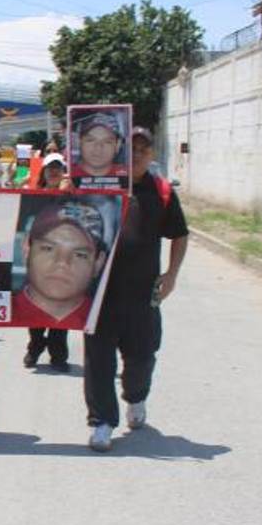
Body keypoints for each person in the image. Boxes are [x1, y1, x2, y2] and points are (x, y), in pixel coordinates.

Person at [85, 126, 188, 452]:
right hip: (99, 294)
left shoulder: (162, 192)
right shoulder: (97, 186)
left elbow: (179, 235)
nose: (139, 153)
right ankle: (102, 422)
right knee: (99, 360)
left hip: (143, 294)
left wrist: (171, 274)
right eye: (132, 148)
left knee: (142, 356)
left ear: (152, 153)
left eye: (145, 148)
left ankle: (135, 398)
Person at [12, 199, 108, 329]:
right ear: (26, 250)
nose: (62, 262)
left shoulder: (109, 323)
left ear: (98, 263)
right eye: (48, 248)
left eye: (80, 255)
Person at [24, 153, 73, 370]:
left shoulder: (75, 198)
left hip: (65, 263)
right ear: (43, 172)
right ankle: (34, 348)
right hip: (40, 261)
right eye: (49, 168)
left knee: (61, 313)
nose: (53, 171)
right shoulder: (33, 196)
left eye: (58, 168)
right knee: (36, 313)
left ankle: (58, 356)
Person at [71, 111, 126, 180]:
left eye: (107, 142)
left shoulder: (126, 177)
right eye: (90, 140)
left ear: (117, 145)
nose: (98, 148)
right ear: (79, 142)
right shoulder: (69, 177)